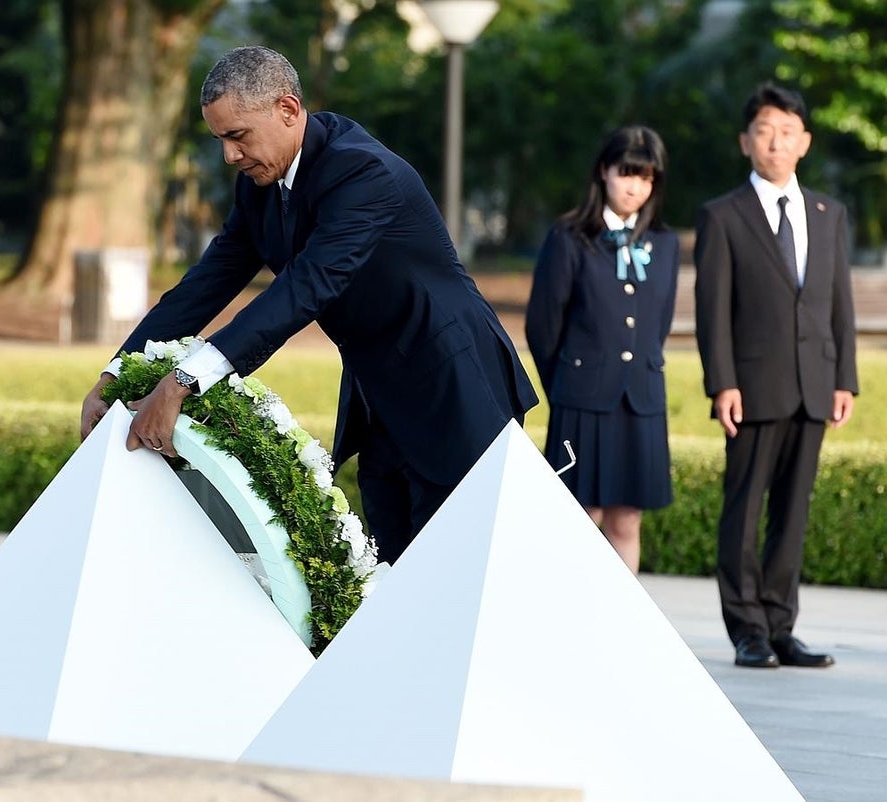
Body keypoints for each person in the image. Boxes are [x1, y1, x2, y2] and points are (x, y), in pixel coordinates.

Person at [80, 46, 538, 565]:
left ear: (288, 110)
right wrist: (117, 371)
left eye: (238, 136)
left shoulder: (363, 173)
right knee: (395, 567)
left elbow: (304, 288)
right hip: (379, 395)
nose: (229, 155)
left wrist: (186, 380)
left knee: (462, 568)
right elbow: (203, 285)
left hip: (455, 384)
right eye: (220, 140)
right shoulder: (260, 184)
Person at [694, 82, 857, 669]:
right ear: (746, 141)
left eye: (787, 132)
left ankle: (782, 626)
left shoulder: (829, 214)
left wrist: (846, 379)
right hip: (753, 386)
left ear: (804, 142)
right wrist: (722, 383)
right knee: (743, 509)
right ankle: (747, 630)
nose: (775, 142)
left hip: (815, 384)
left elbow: (840, 302)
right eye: (764, 131)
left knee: (793, 511)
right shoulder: (722, 215)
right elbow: (712, 309)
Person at [525, 126, 679, 574]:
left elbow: (660, 321)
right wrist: (569, 385)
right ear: (603, 172)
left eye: (646, 177)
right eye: (626, 173)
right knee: (581, 517)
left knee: (627, 520)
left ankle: (621, 633)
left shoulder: (664, 244)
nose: (635, 186)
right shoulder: (570, 237)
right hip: (582, 400)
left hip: (642, 400)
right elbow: (543, 325)